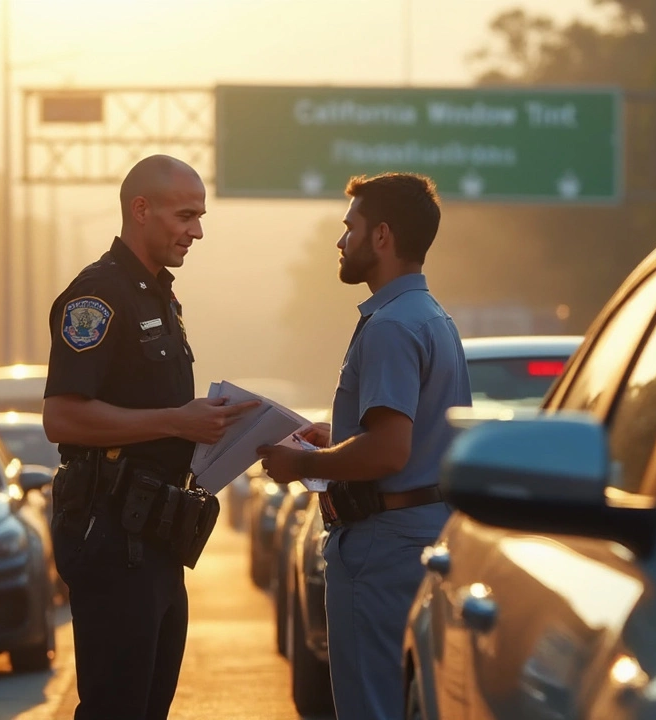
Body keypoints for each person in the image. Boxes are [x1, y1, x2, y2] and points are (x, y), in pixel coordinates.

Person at [42, 154, 259, 720]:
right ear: (141, 210)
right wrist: (175, 421)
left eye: (200, 215)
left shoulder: (158, 296)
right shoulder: (97, 296)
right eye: (185, 215)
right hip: (113, 537)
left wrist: (244, 431)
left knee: (149, 706)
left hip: (158, 538)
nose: (197, 231)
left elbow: (168, 416)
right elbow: (62, 418)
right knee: (117, 708)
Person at [257, 172, 471, 720]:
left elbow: (387, 454)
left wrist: (297, 462)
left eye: (348, 226)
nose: (340, 239)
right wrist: (337, 439)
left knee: (370, 707)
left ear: (381, 236)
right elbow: (411, 435)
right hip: (423, 537)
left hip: (382, 547)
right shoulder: (433, 317)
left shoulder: (390, 327)